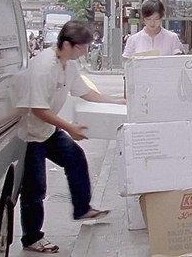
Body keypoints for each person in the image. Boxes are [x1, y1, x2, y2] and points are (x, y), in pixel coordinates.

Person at [16, 21, 126, 253]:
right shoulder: (43, 67)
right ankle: (32, 238)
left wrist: (115, 102)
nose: (84, 51)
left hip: (48, 129)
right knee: (35, 188)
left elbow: (85, 92)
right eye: (81, 47)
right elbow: (38, 109)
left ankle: (82, 208)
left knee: (75, 158)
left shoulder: (69, 65)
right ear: (67, 44)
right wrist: (70, 128)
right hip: (30, 134)